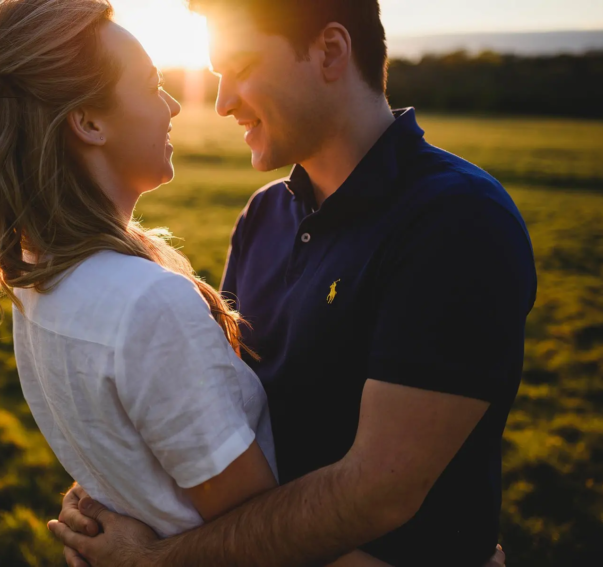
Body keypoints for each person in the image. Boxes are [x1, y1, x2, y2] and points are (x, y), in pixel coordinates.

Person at [51, 0, 536, 565]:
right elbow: (222, 418)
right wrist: (113, 491)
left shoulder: (456, 221)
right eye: (217, 75)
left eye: (243, 67)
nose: (223, 100)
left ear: (330, 51)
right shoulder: (263, 218)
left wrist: (157, 561)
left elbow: (378, 495)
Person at [0, 0, 398, 565]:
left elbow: (134, 458)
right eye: (151, 86)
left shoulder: (38, 282)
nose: (175, 105)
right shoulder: (148, 303)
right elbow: (258, 526)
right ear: (89, 123)